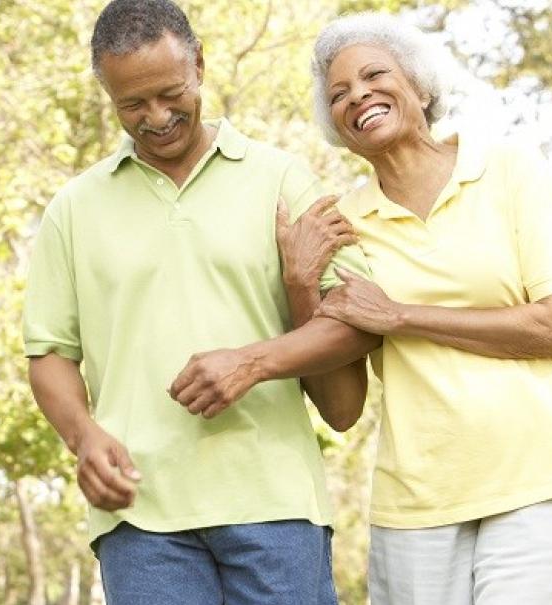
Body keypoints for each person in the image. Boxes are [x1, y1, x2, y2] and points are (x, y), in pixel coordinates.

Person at [21, 1, 379, 603]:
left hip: (275, 504)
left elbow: (361, 321)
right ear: (107, 92)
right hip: (140, 518)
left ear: (201, 66)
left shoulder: (281, 179)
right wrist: (83, 437)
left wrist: (253, 362)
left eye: (170, 93)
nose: (157, 117)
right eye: (132, 104)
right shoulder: (74, 209)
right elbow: (50, 353)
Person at [277, 13, 552, 605]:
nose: (358, 94)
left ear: (421, 85)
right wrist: (301, 284)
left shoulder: (509, 169)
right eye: (338, 93)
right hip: (417, 502)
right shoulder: (343, 227)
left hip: (544, 476)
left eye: (374, 74)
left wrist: (402, 316)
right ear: (335, 124)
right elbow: (340, 409)